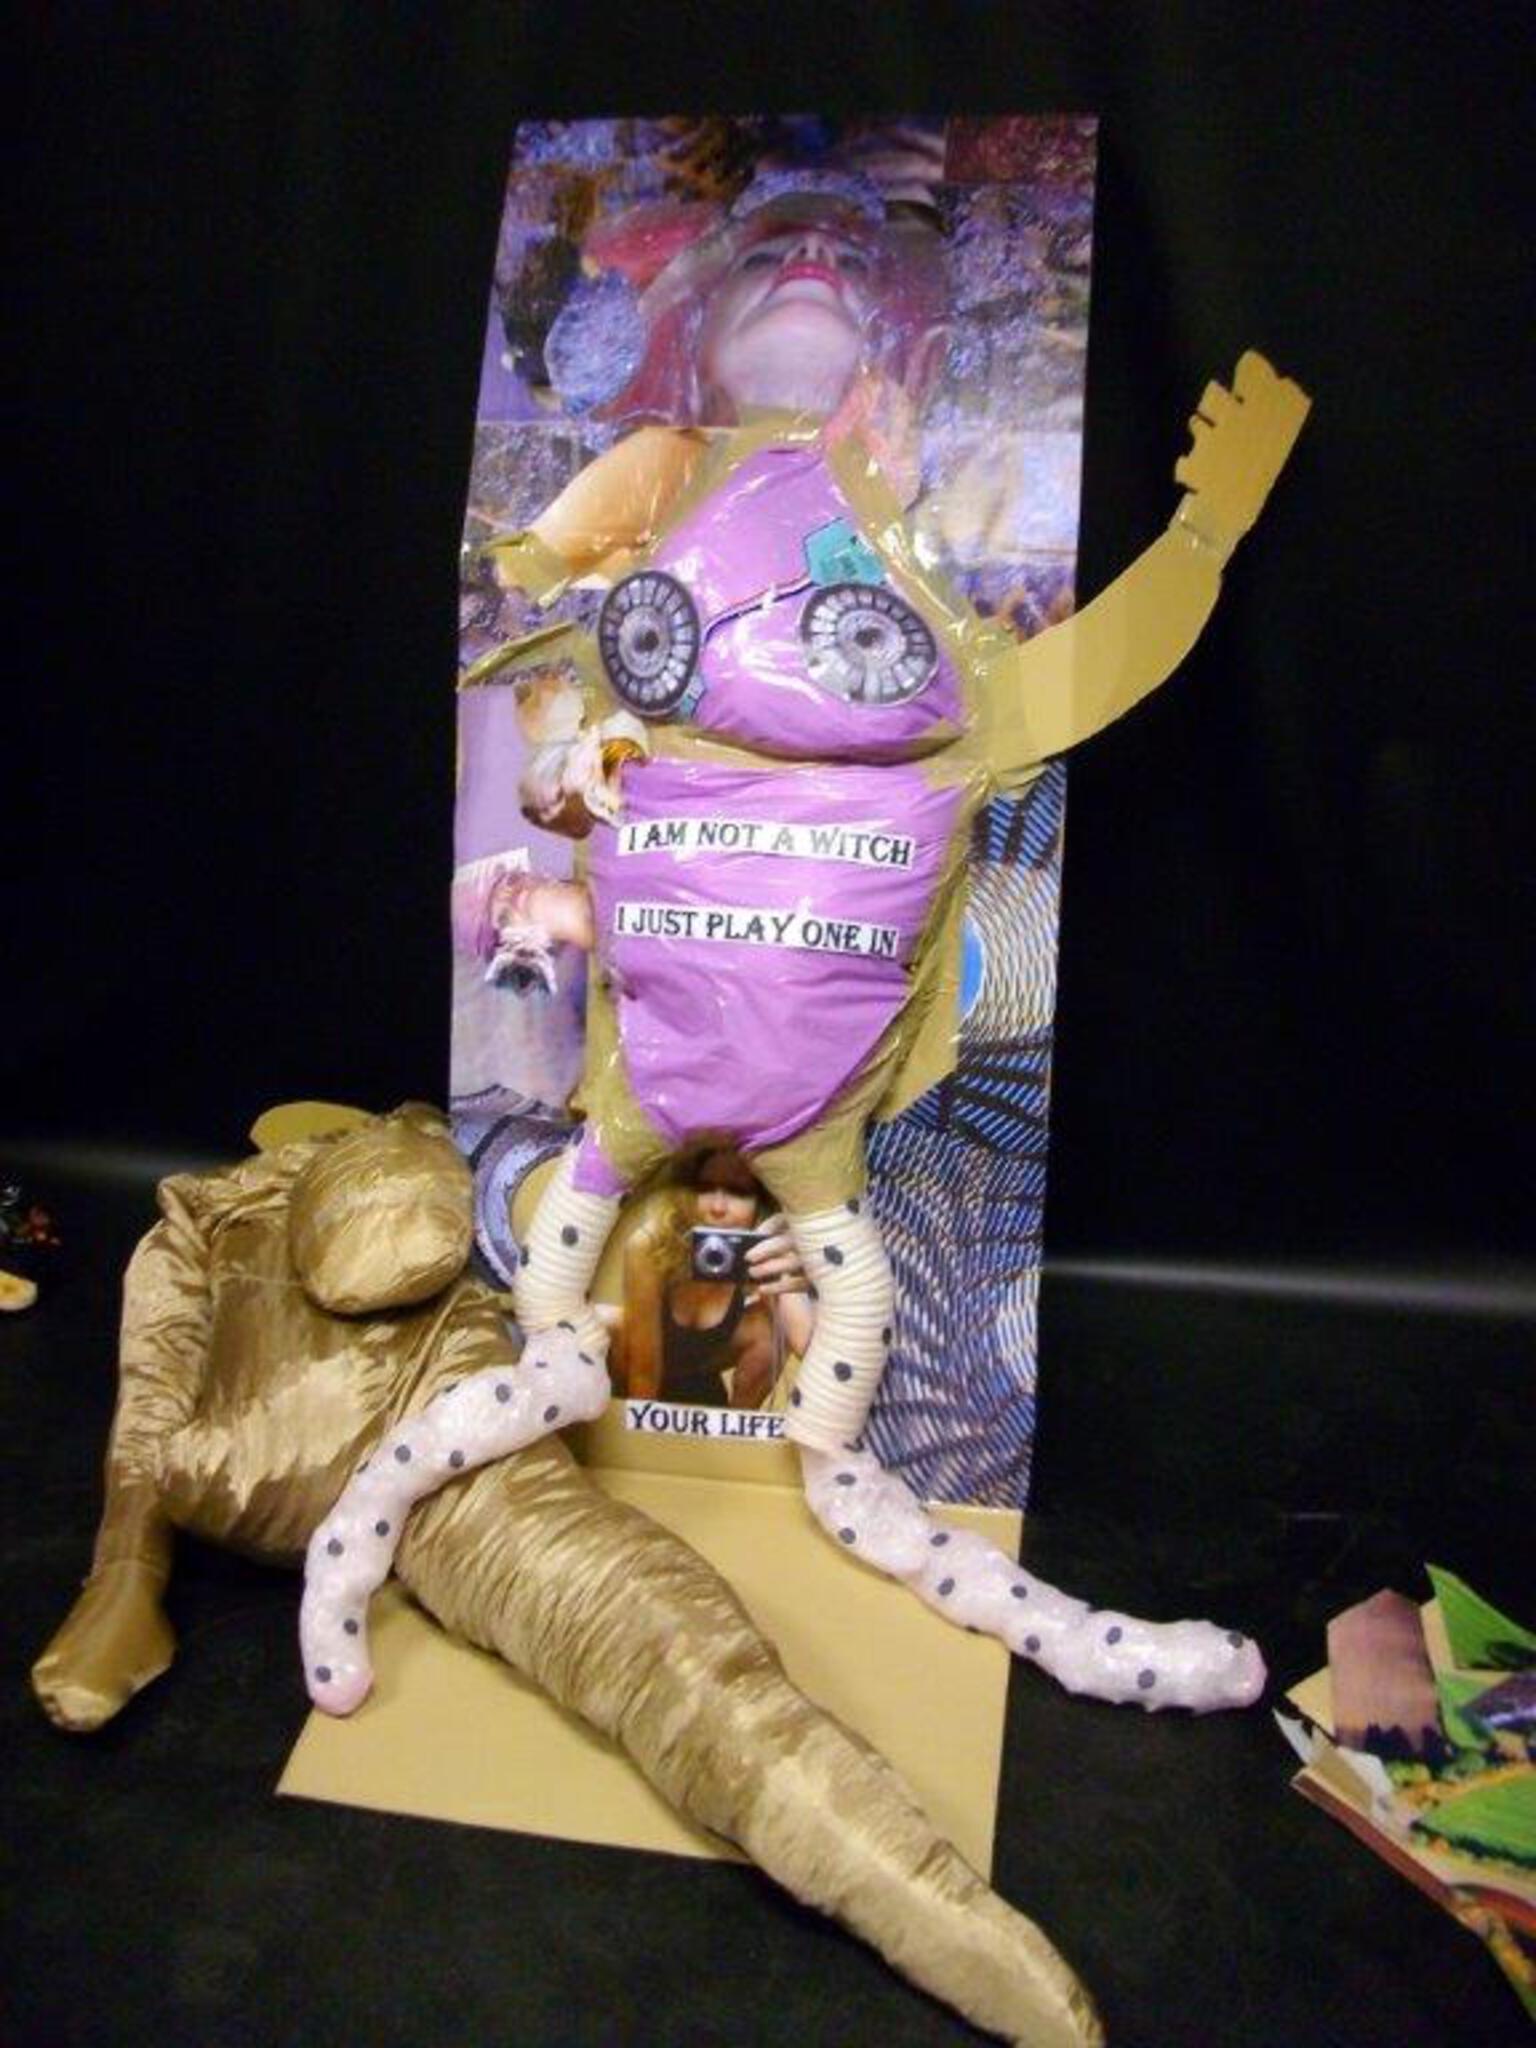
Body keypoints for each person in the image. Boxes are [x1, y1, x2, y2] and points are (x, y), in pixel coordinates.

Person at [301, 167, 1308, 1722]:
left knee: (826, 1390)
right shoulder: (634, 556)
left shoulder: (932, 633)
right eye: (775, 255)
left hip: (798, 1127)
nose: (813, 268)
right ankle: (387, 1510)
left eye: (848, 258)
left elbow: (1074, 685)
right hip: (650, 1117)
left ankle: (970, 1567)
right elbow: (528, 640)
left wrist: (1205, 531)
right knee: (583, 1317)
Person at [610, 1147, 814, 1407]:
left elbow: (805, 1346)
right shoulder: (651, 1244)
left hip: (704, 1361)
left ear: (760, 1203)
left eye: (738, 1192)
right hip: (635, 1364)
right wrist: (642, 1426)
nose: (718, 1207)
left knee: (772, 1330)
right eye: (705, 1188)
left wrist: (782, 1276)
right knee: (602, 1321)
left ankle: (737, 1422)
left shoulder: (764, 1250)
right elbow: (643, 1367)